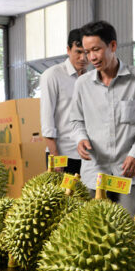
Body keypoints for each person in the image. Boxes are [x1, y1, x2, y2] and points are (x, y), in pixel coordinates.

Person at [69, 20, 135, 216]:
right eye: (87, 52)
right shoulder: (82, 84)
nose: (92, 57)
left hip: (127, 171)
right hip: (95, 170)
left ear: (112, 46)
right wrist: (80, 138)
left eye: (96, 49)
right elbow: (75, 120)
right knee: (93, 228)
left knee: (127, 228)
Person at [40, 28, 89, 174]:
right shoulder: (52, 75)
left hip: (87, 154)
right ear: (68, 50)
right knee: (64, 196)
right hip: (63, 153)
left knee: (86, 196)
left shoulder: (92, 78)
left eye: (86, 52)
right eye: (78, 52)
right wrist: (55, 155)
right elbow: (47, 119)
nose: (83, 58)